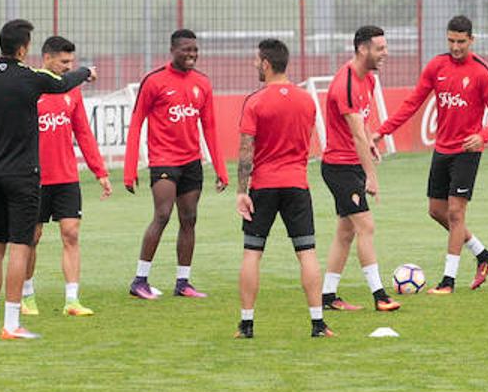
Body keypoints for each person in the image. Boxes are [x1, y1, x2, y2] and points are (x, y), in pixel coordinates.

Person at [0, 19, 94, 340]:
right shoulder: (30, 79)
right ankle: (12, 323)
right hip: (23, 176)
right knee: (19, 247)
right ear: (23, 48)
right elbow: (62, 83)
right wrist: (85, 71)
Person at [375, 14, 488, 294]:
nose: (456, 47)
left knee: (456, 212)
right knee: (436, 211)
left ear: (472, 40)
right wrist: (383, 131)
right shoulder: (436, 66)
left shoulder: (481, 72)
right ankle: (483, 255)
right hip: (442, 149)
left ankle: (448, 281)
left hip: (467, 151)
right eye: (451, 41)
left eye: (461, 41)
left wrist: (481, 136)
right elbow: (412, 103)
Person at [122, 28, 228, 300]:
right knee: (162, 215)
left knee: (189, 219)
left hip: (192, 161)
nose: (192, 54)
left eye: (195, 50)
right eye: (186, 50)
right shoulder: (154, 81)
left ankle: (183, 283)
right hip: (164, 161)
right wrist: (129, 168)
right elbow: (136, 124)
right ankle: (140, 280)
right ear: (173, 50)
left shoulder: (202, 83)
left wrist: (221, 169)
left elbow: (211, 127)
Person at [235, 39, 331, 338]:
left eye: (256, 60)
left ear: (265, 63)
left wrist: (242, 191)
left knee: (252, 253)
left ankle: (247, 324)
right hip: (296, 184)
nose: (254, 65)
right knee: (307, 253)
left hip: (263, 186)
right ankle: (317, 323)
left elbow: (246, 152)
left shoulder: (255, 101)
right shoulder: (306, 101)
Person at [21, 36, 112, 317]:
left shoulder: (72, 91)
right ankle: (26, 296)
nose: (69, 67)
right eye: (64, 62)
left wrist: (100, 172)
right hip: (34, 178)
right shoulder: (29, 87)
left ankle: (72, 300)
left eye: (72, 62)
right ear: (47, 58)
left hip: (66, 177)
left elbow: (83, 132)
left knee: (71, 234)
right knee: (32, 237)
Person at [317, 25, 400, 313]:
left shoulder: (369, 81)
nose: (385, 53)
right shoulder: (346, 84)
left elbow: (362, 125)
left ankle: (327, 296)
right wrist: (372, 176)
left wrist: (371, 145)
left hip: (351, 164)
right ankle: (380, 295)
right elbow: (355, 135)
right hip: (340, 168)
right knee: (366, 226)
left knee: (346, 233)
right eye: (380, 48)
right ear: (362, 48)